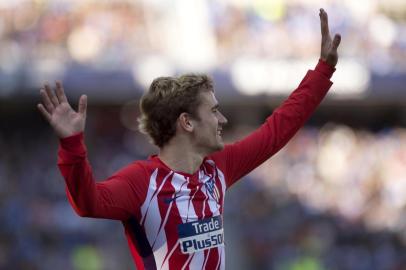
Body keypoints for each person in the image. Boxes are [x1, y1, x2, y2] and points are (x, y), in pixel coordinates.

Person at [37, 8, 341, 270]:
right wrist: (72, 144)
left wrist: (323, 70)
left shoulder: (218, 168)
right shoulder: (142, 183)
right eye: (214, 111)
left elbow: (276, 131)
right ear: (187, 122)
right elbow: (88, 203)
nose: (222, 120)